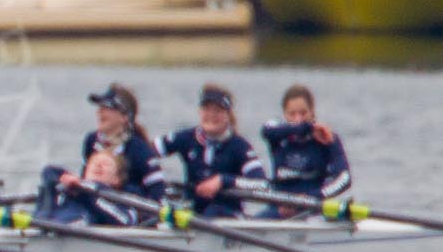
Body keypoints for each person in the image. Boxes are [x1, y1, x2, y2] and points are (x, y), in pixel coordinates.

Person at [158, 84, 268, 218]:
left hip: (228, 215)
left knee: (213, 211)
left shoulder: (239, 146)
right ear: (200, 111)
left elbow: (261, 184)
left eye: (217, 111)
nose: (211, 115)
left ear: (228, 115)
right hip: (192, 214)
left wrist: (223, 180)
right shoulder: (187, 138)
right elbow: (147, 152)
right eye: (206, 109)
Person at [260, 83, 352, 212]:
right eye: (292, 114)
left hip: (313, 206)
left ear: (312, 112)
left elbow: (345, 178)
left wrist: (310, 198)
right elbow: (266, 131)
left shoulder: (327, 138)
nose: (298, 119)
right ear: (284, 114)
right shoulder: (276, 131)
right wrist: (307, 128)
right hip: (280, 206)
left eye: (303, 113)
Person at [80, 83, 168, 214]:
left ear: (124, 117)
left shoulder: (140, 150)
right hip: (95, 205)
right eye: (100, 107)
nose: (100, 112)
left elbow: (158, 197)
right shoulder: (91, 141)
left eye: (107, 107)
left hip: (127, 211)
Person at [34, 150, 140, 227]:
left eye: (106, 164)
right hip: (48, 222)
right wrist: (64, 180)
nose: (99, 166)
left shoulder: (122, 200)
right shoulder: (72, 183)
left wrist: (85, 193)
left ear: (116, 179)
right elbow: (48, 171)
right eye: (94, 163)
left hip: (77, 229)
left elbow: (125, 221)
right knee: (47, 190)